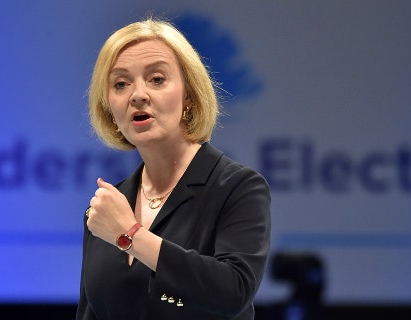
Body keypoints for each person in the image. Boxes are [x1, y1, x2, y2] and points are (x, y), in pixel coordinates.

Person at [77, 17, 271, 320]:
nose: (138, 95)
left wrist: (130, 235)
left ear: (189, 98)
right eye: (121, 84)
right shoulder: (105, 210)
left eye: (156, 79)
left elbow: (234, 292)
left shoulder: (237, 187)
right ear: (110, 110)